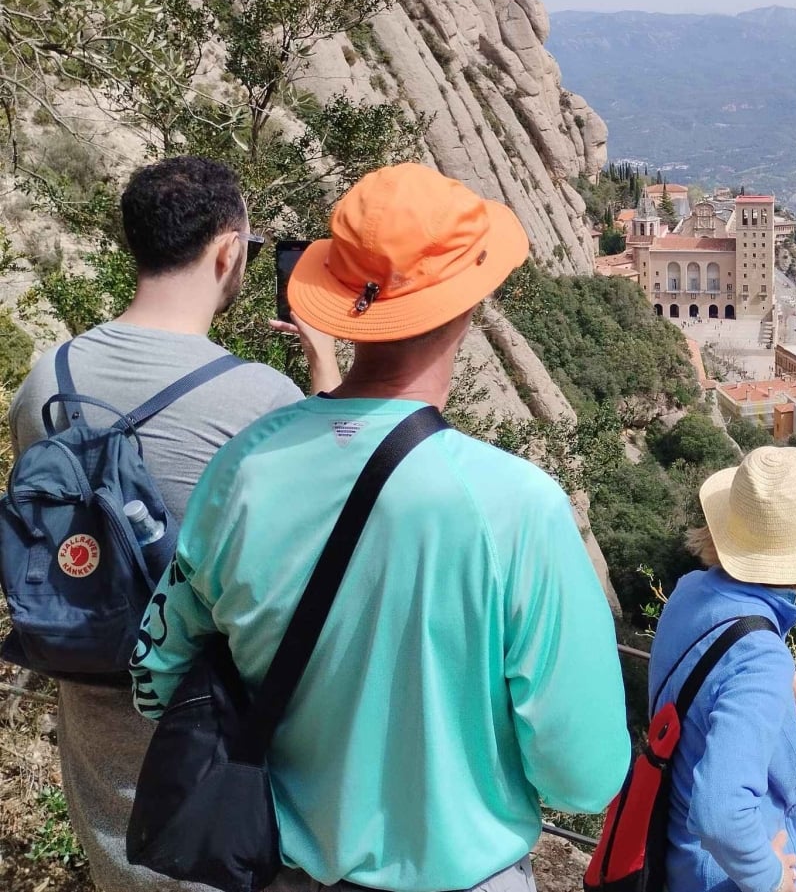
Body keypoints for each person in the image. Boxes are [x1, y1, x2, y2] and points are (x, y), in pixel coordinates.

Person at [129, 163, 630, 892]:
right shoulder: (518, 506)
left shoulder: (243, 470)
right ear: (470, 302)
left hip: (280, 871)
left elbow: (154, 680)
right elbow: (583, 775)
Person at [7, 155, 338, 892]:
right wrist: (325, 366)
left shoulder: (44, 383)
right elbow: (339, 526)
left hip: (98, 762)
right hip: (212, 776)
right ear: (228, 251)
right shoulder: (260, 401)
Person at [649, 445, 796, 892]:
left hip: (673, 860)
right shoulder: (760, 658)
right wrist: (772, 879)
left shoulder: (690, 594)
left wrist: (788, 678)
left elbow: (720, 653)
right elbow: (720, 812)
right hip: (727, 879)